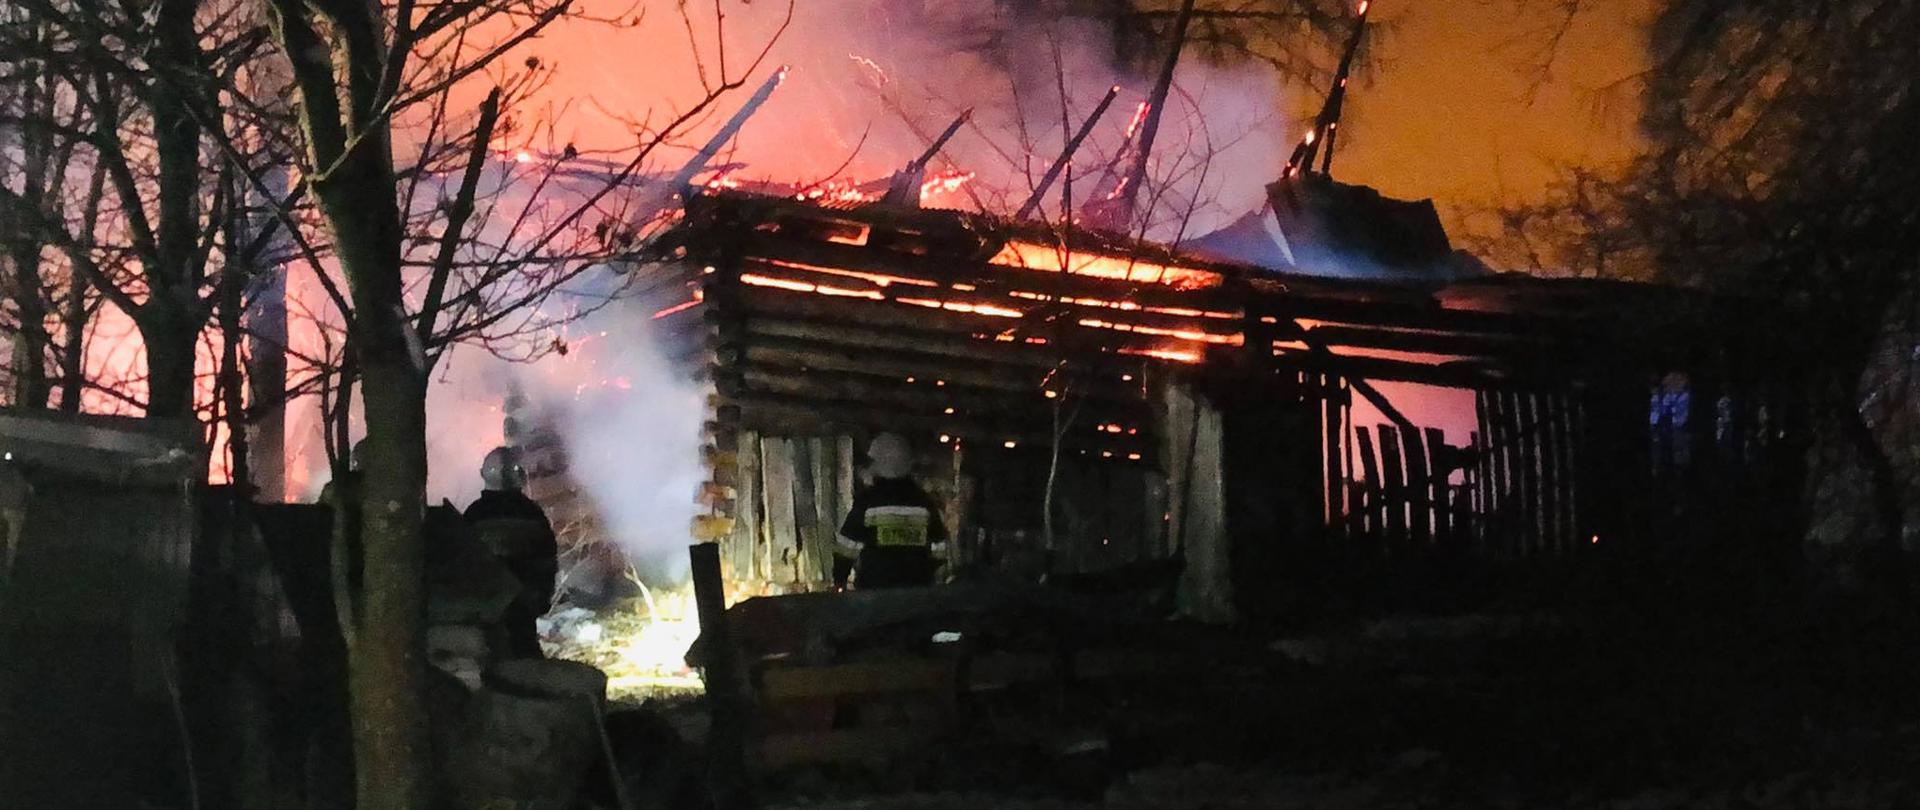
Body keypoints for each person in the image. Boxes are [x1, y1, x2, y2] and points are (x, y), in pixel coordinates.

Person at [463, 446, 558, 658]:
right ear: (520, 477)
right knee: (525, 655)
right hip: (524, 602)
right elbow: (547, 557)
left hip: (486, 606)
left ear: (484, 474)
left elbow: (463, 561)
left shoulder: (475, 514)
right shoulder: (531, 513)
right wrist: (542, 597)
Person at [834, 433, 948, 589]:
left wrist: (839, 578)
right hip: (917, 590)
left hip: (875, 590)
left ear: (878, 464)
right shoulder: (923, 502)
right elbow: (939, 548)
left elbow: (848, 546)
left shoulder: (868, 501)